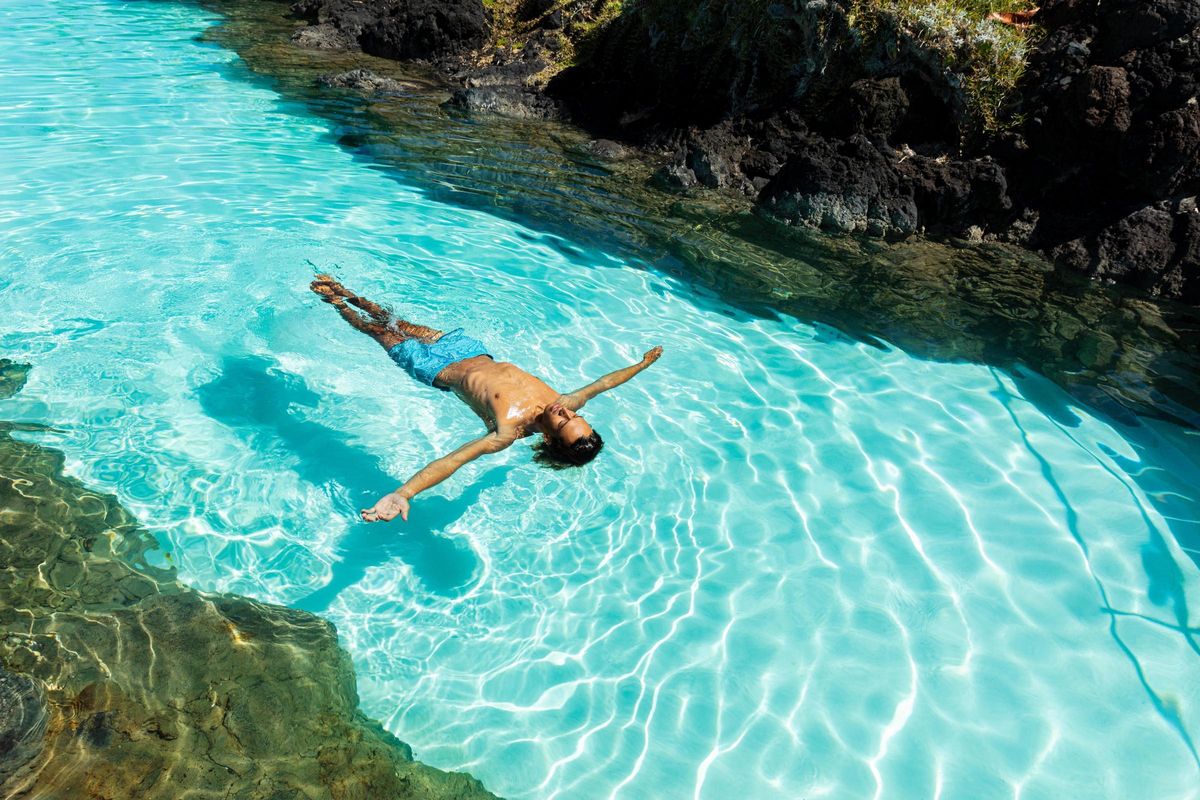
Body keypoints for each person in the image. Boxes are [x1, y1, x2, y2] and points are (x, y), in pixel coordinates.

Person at [309, 275, 663, 522]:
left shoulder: (508, 430)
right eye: (575, 416)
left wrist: (405, 492)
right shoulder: (567, 402)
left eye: (564, 423)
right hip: (466, 349)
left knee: (374, 328)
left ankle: (334, 301)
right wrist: (643, 365)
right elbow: (606, 382)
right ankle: (346, 291)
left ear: (551, 438)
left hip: (433, 367)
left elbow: (454, 461)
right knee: (393, 318)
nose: (565, 413)